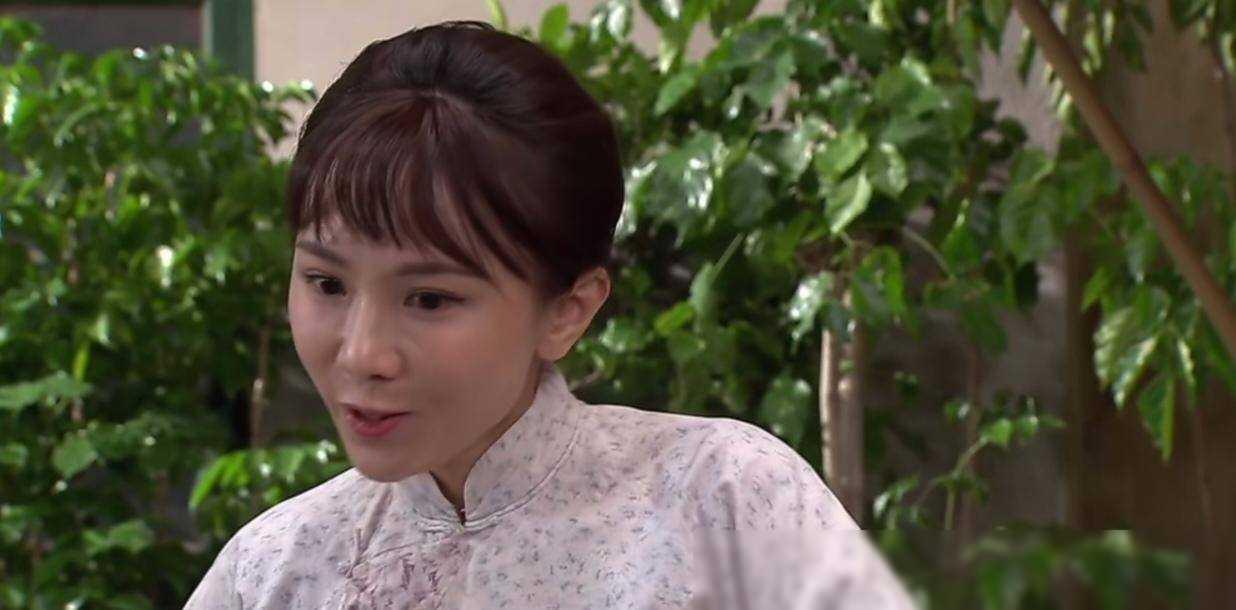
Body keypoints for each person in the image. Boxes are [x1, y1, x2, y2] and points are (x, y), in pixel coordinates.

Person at [184, 20, 917, 610]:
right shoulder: (274, 570)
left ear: (568, 311)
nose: (362, 353)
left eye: (430, 298)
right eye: (326, 282)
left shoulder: (724, 499)